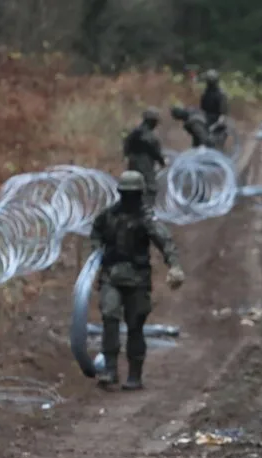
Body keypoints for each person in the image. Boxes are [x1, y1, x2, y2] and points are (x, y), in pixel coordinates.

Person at [89, 171, 186, 390]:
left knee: (135, 326)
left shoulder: (146, 218)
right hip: (111, 276)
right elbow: (95, 231)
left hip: (137, 279)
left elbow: (165, 241)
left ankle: (135, 374)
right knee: (110, 317)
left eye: (133, 194)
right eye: (126, 194)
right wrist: (97, 252)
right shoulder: (109, 216)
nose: (130, 198)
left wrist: (174, 265)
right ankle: (110, 369)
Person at [122, 108, 167, 204]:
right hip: (145, 166)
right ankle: (145, 212)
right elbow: (156, 153)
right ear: (152, 122)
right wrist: (163, 162)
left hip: (132, 164)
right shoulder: (150, 137)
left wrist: (128, 156)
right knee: (150, 189)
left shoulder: (133, 133)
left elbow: (126, 146)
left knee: (132, 188)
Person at [199, 69, 230, 150]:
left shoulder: (220, 94)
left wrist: (221, 119)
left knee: (217, 146)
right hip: (206, 121)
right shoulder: (205, 93)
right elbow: (202, 108)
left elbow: (223, 111)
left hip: (217, 123)